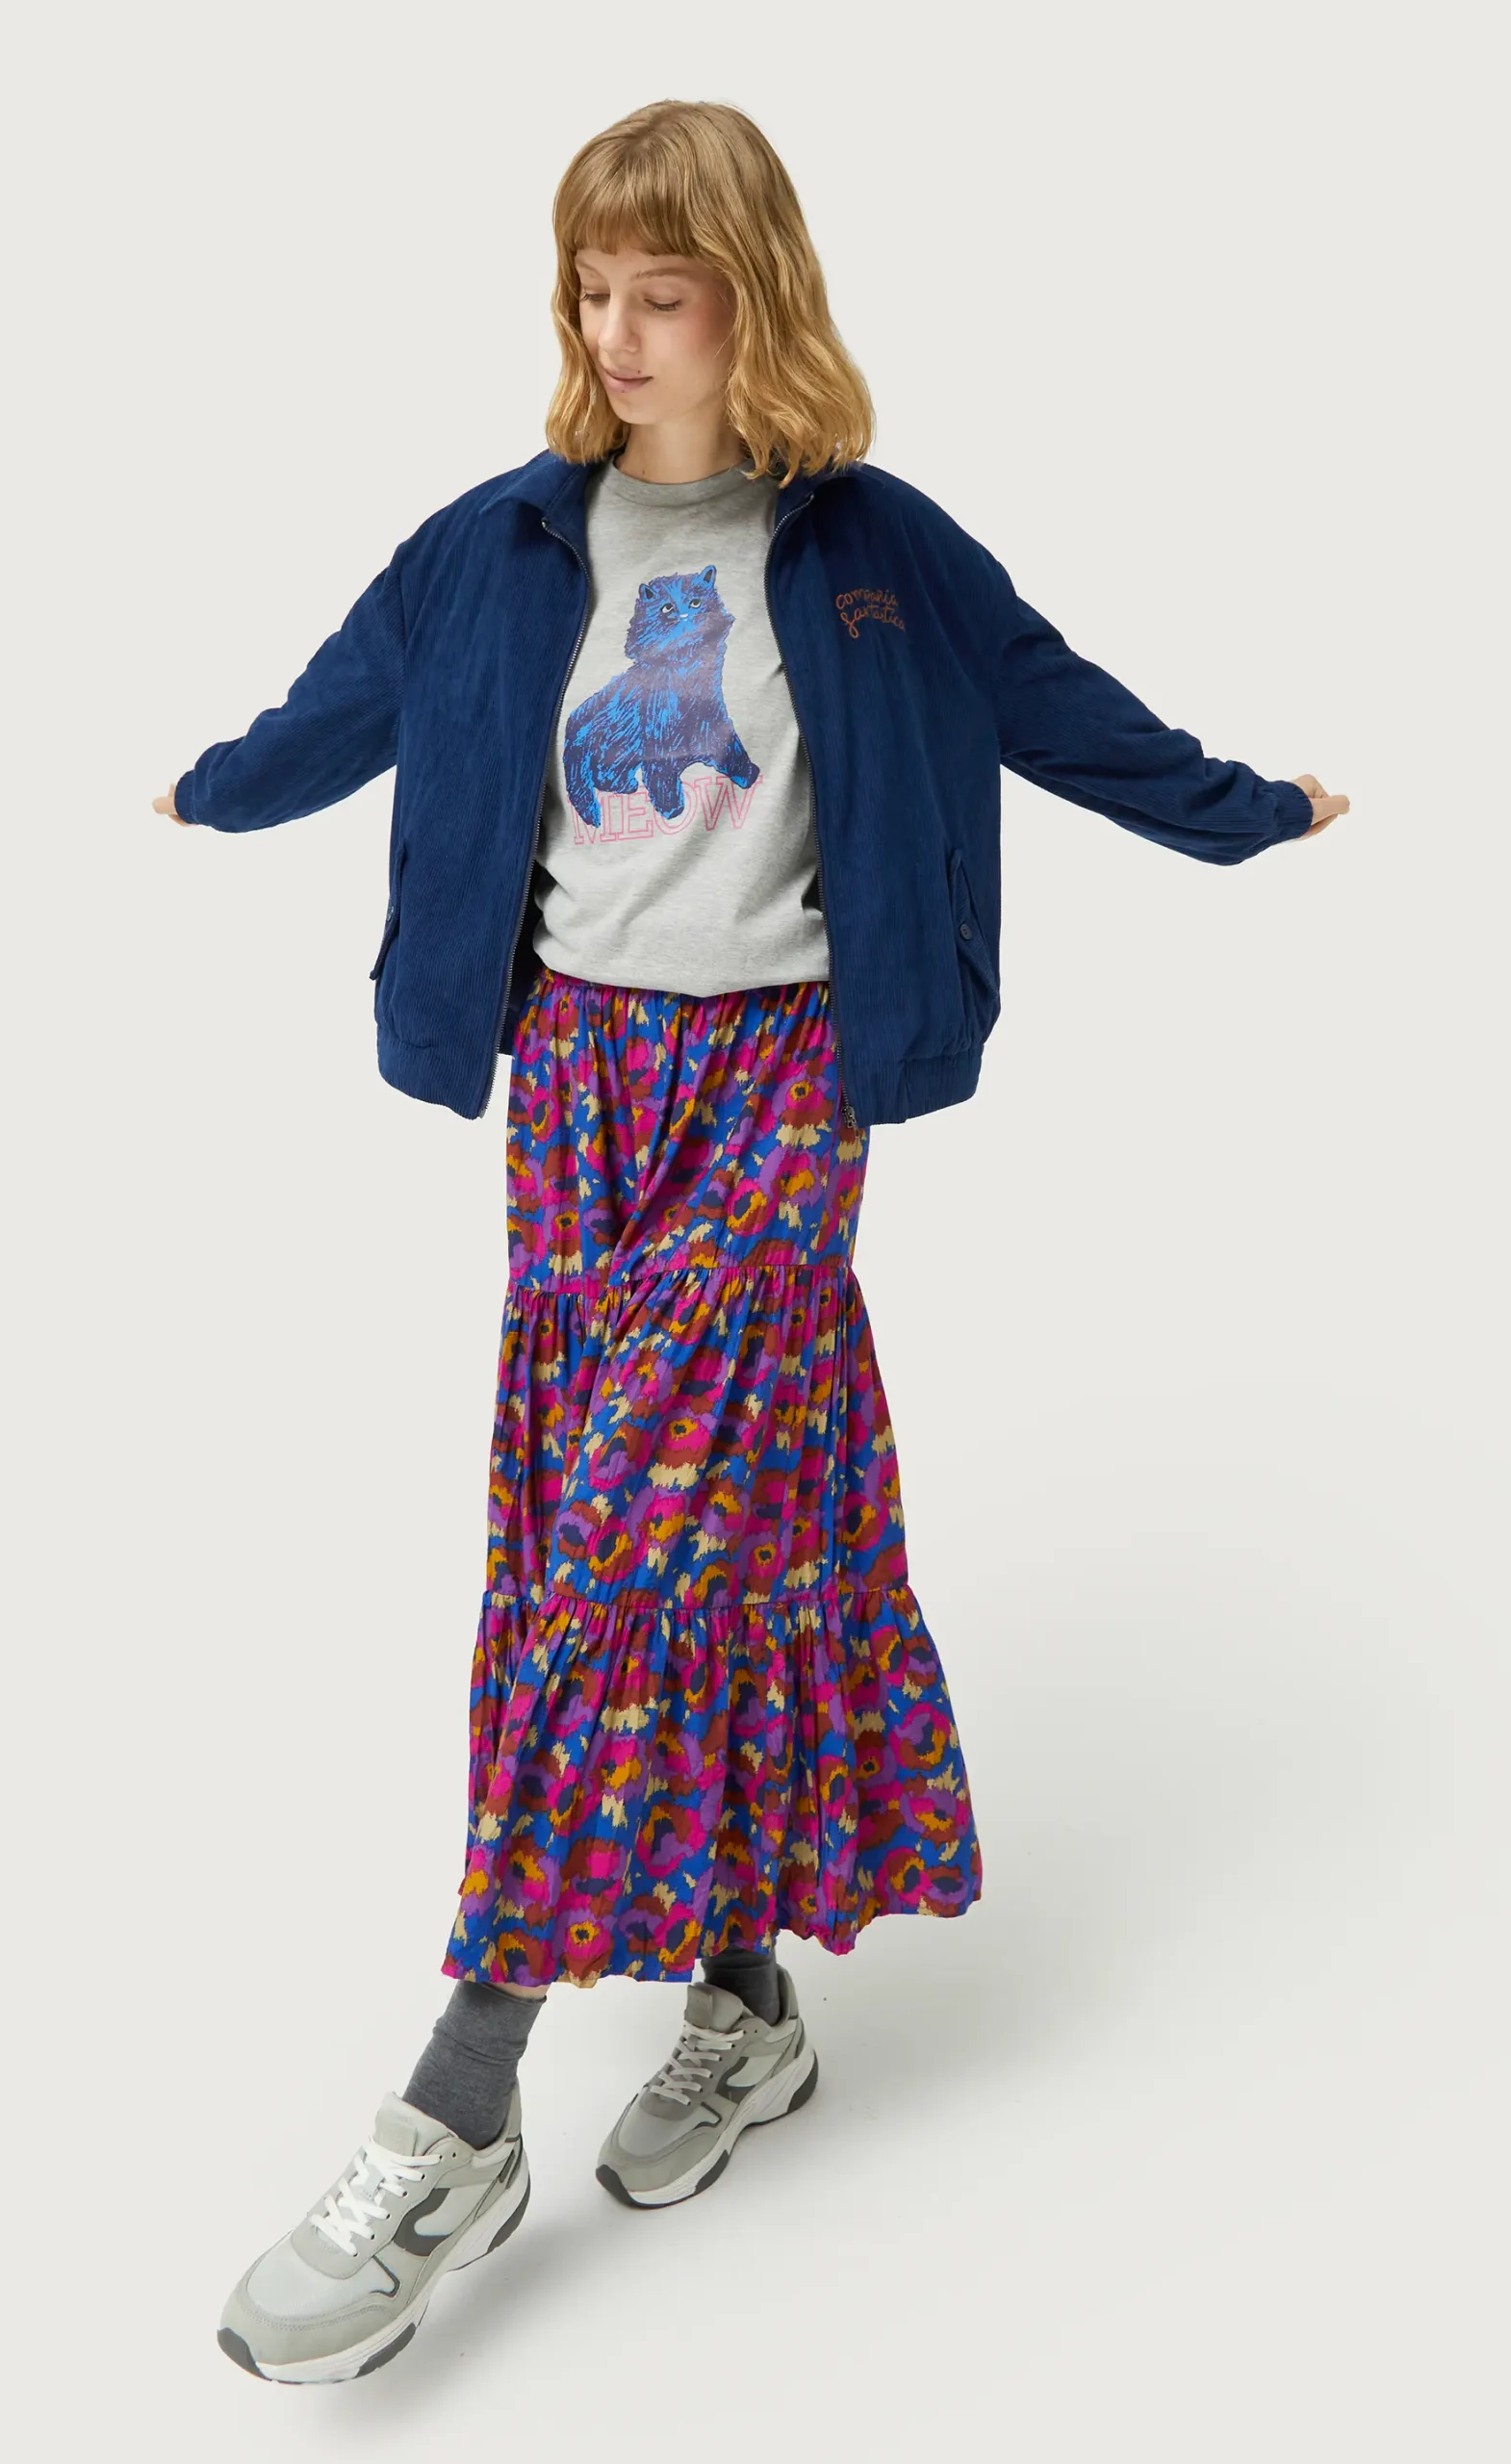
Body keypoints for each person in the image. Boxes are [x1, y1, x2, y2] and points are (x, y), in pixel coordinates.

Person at [155, 98, 1348, 2388]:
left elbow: (1053, 704)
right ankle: (743, 1993)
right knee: (691, 1533)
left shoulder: (875, 548)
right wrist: (205, 786)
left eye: (662, 291)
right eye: (591, 289)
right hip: (577, 1086)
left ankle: (459, 2101)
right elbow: (345, 703)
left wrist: (1248, 811)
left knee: (631, 1534)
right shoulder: (504, 541)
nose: (616, 331)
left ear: (750, 300)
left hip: (784, 1076)